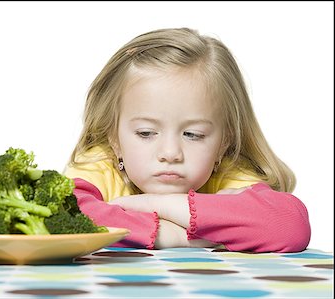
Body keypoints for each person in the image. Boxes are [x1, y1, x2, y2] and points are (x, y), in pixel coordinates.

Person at [63, 27, 311, 253]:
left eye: (193, 135)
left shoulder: (227, 171)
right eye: (146, 133)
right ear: (114, 139)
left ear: (224, 142)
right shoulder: (98, 163)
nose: (170, 153)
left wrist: (156, 203)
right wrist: (172, 235)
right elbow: (63, 215)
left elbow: (290, 226)